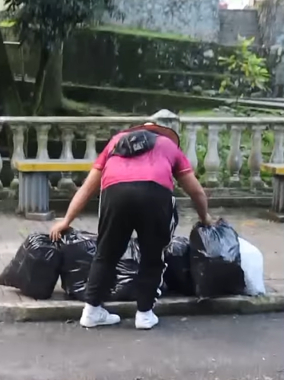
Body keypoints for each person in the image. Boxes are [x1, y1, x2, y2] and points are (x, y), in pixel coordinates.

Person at [49, 122, 212, 330]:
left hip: (115, 193)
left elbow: (87, 188)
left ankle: (90, 312)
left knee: (106, 253)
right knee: (153, 255)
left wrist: (66, 220)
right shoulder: (169, 146)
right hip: (154, 195)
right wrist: (204, 216)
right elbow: (196, 191)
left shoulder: (115, 142)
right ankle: (144, 314)